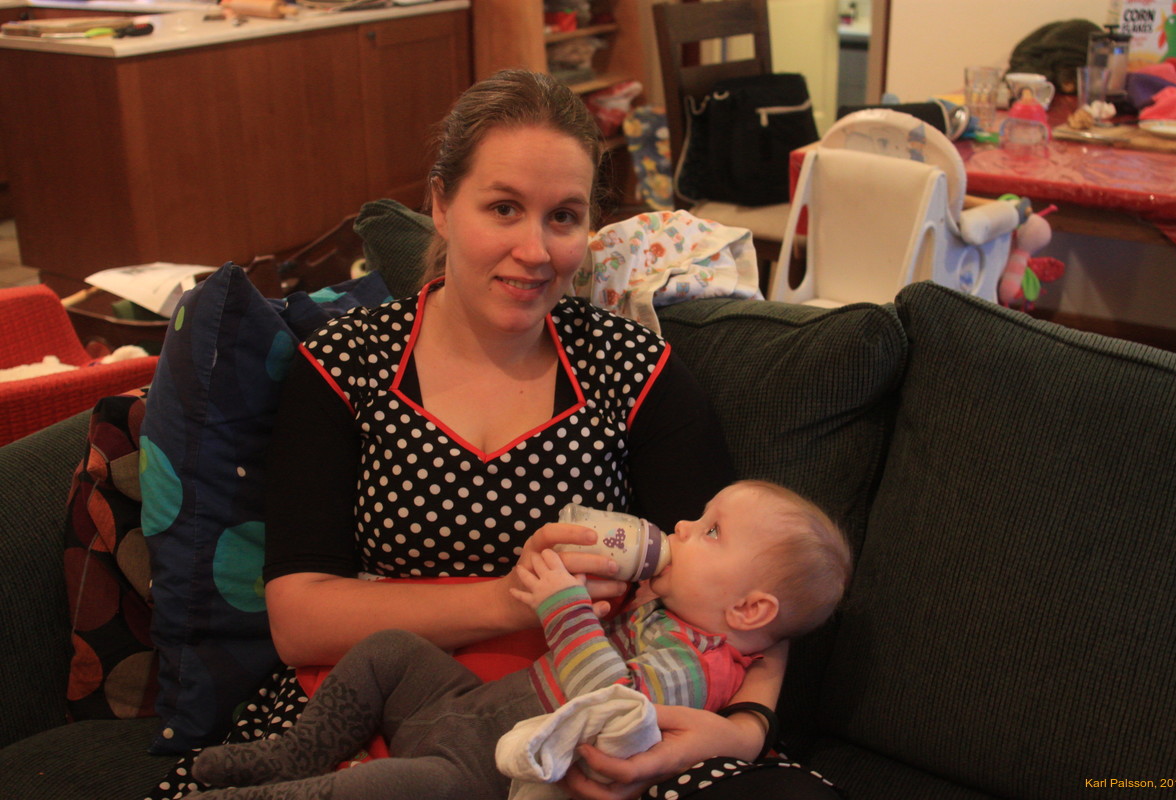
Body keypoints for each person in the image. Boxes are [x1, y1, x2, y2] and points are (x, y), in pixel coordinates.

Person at [146, 68, 791, 800]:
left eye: (564, 217)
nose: (536, 250)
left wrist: (744, 726)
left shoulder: (634, 372)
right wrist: (510, 599)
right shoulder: (346, 366)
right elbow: (299, 618)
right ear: (442, 205)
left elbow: (757, 584)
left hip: (580, 719)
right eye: (505, 208)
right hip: (374, 704)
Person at [187, 481, 852, 799]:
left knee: (390, 791)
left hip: (481, 771)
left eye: (709, 531)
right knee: (390, 649)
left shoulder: (701, 669)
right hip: (471, 703)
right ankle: (294, 753)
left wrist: (566, 609)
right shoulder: (669, 612)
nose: (680, 524)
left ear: (749, 608)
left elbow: (609, 703)